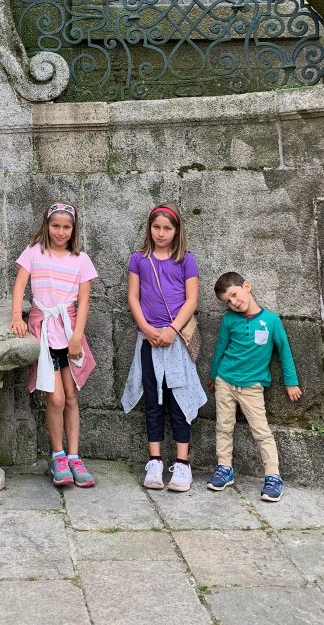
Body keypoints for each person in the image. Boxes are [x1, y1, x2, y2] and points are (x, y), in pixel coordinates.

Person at [10, 202, 97, 488]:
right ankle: (57, 455)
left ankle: (74, 456)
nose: (61, 231)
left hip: (69, 331)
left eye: (66, 227)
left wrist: (76, 337)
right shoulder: (35, 252)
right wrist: (16, 316)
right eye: (56, 225)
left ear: (74, 229)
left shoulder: (81, 260)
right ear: (47, 225)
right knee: (56, 397)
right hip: (44, 330)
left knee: (71, 397)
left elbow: (84, 301)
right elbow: (20, 284)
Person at [121, 203, 206, 492]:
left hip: (177, 341)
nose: (161, 233)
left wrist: (171, 330)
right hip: (148, 340)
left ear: (176, 230)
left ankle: (182, 464)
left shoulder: (186, 260)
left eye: (167, 228)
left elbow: (191, 299)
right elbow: (133, 297)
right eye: (156, 227)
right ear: (149, 228)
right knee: (153, 400)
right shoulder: (138, 260)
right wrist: (146, 328)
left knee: (179, 400)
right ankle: (154, 460)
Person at [207, 272, 302, 502]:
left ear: (246, 286)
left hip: (252, 387)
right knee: (223, 427)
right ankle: (224, 468)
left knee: (262, 432)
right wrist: (214, 375)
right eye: (227, 302)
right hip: (225, 381)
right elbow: (220, 348)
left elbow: (284, 352)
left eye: (234, 295)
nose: (233, 303)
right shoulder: (229, 320)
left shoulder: (271, 321)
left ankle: (273, 477)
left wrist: (291, 381)